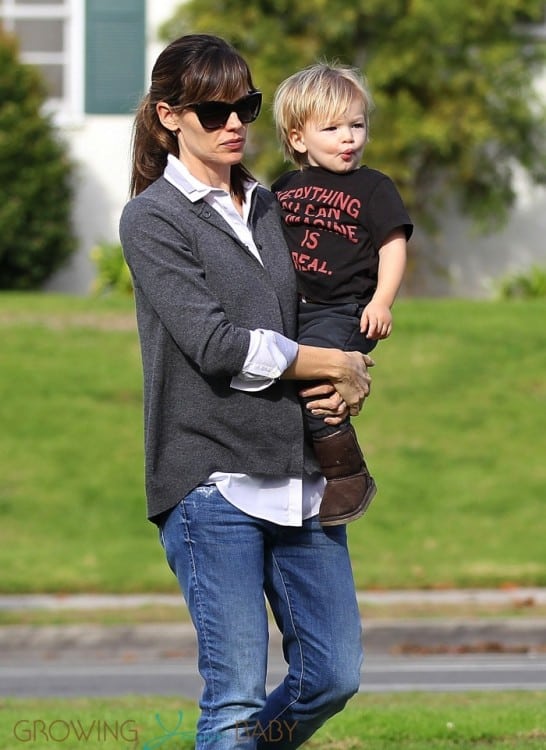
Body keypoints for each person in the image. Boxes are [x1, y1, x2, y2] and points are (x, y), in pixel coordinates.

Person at [119, 35, 375, 750]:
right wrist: (324, 360)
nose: (235, 122)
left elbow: (321, 301)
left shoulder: (272, 204)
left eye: (247, 106)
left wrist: (350, 366)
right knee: (232, 700)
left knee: (332, 674)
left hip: (299, 479)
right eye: (214, 109)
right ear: (170, 115)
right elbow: (217, 345)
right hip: (210, 484)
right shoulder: (153, 219)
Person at [272, 63, 413, 527]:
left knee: (317, 385)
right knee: (276, 377)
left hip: (345, 309)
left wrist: (381, 301)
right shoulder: (283, 189)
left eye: (356, 125)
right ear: (298, 138)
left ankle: (347, 473)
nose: (347, 137)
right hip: (293, 310)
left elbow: (394, 243)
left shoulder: (373, 187)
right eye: (331, 128)